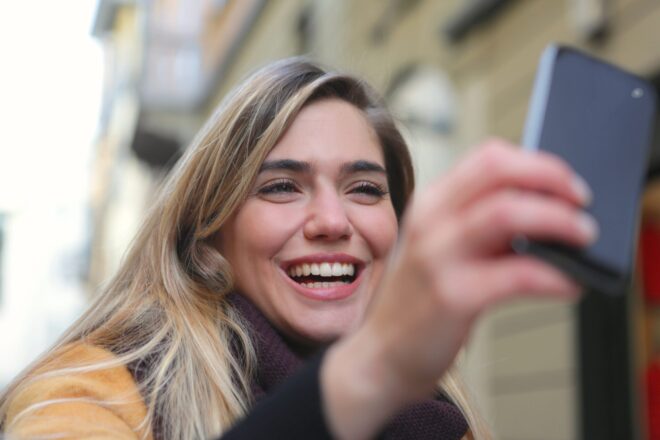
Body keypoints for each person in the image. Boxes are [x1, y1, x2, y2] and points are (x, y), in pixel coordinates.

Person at [0, 58, 596, 439]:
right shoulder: (91, 391)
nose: (333, 220)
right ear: (208, 232)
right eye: (282, 186)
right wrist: (370, 374)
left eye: (365, 188)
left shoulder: (441, 420)